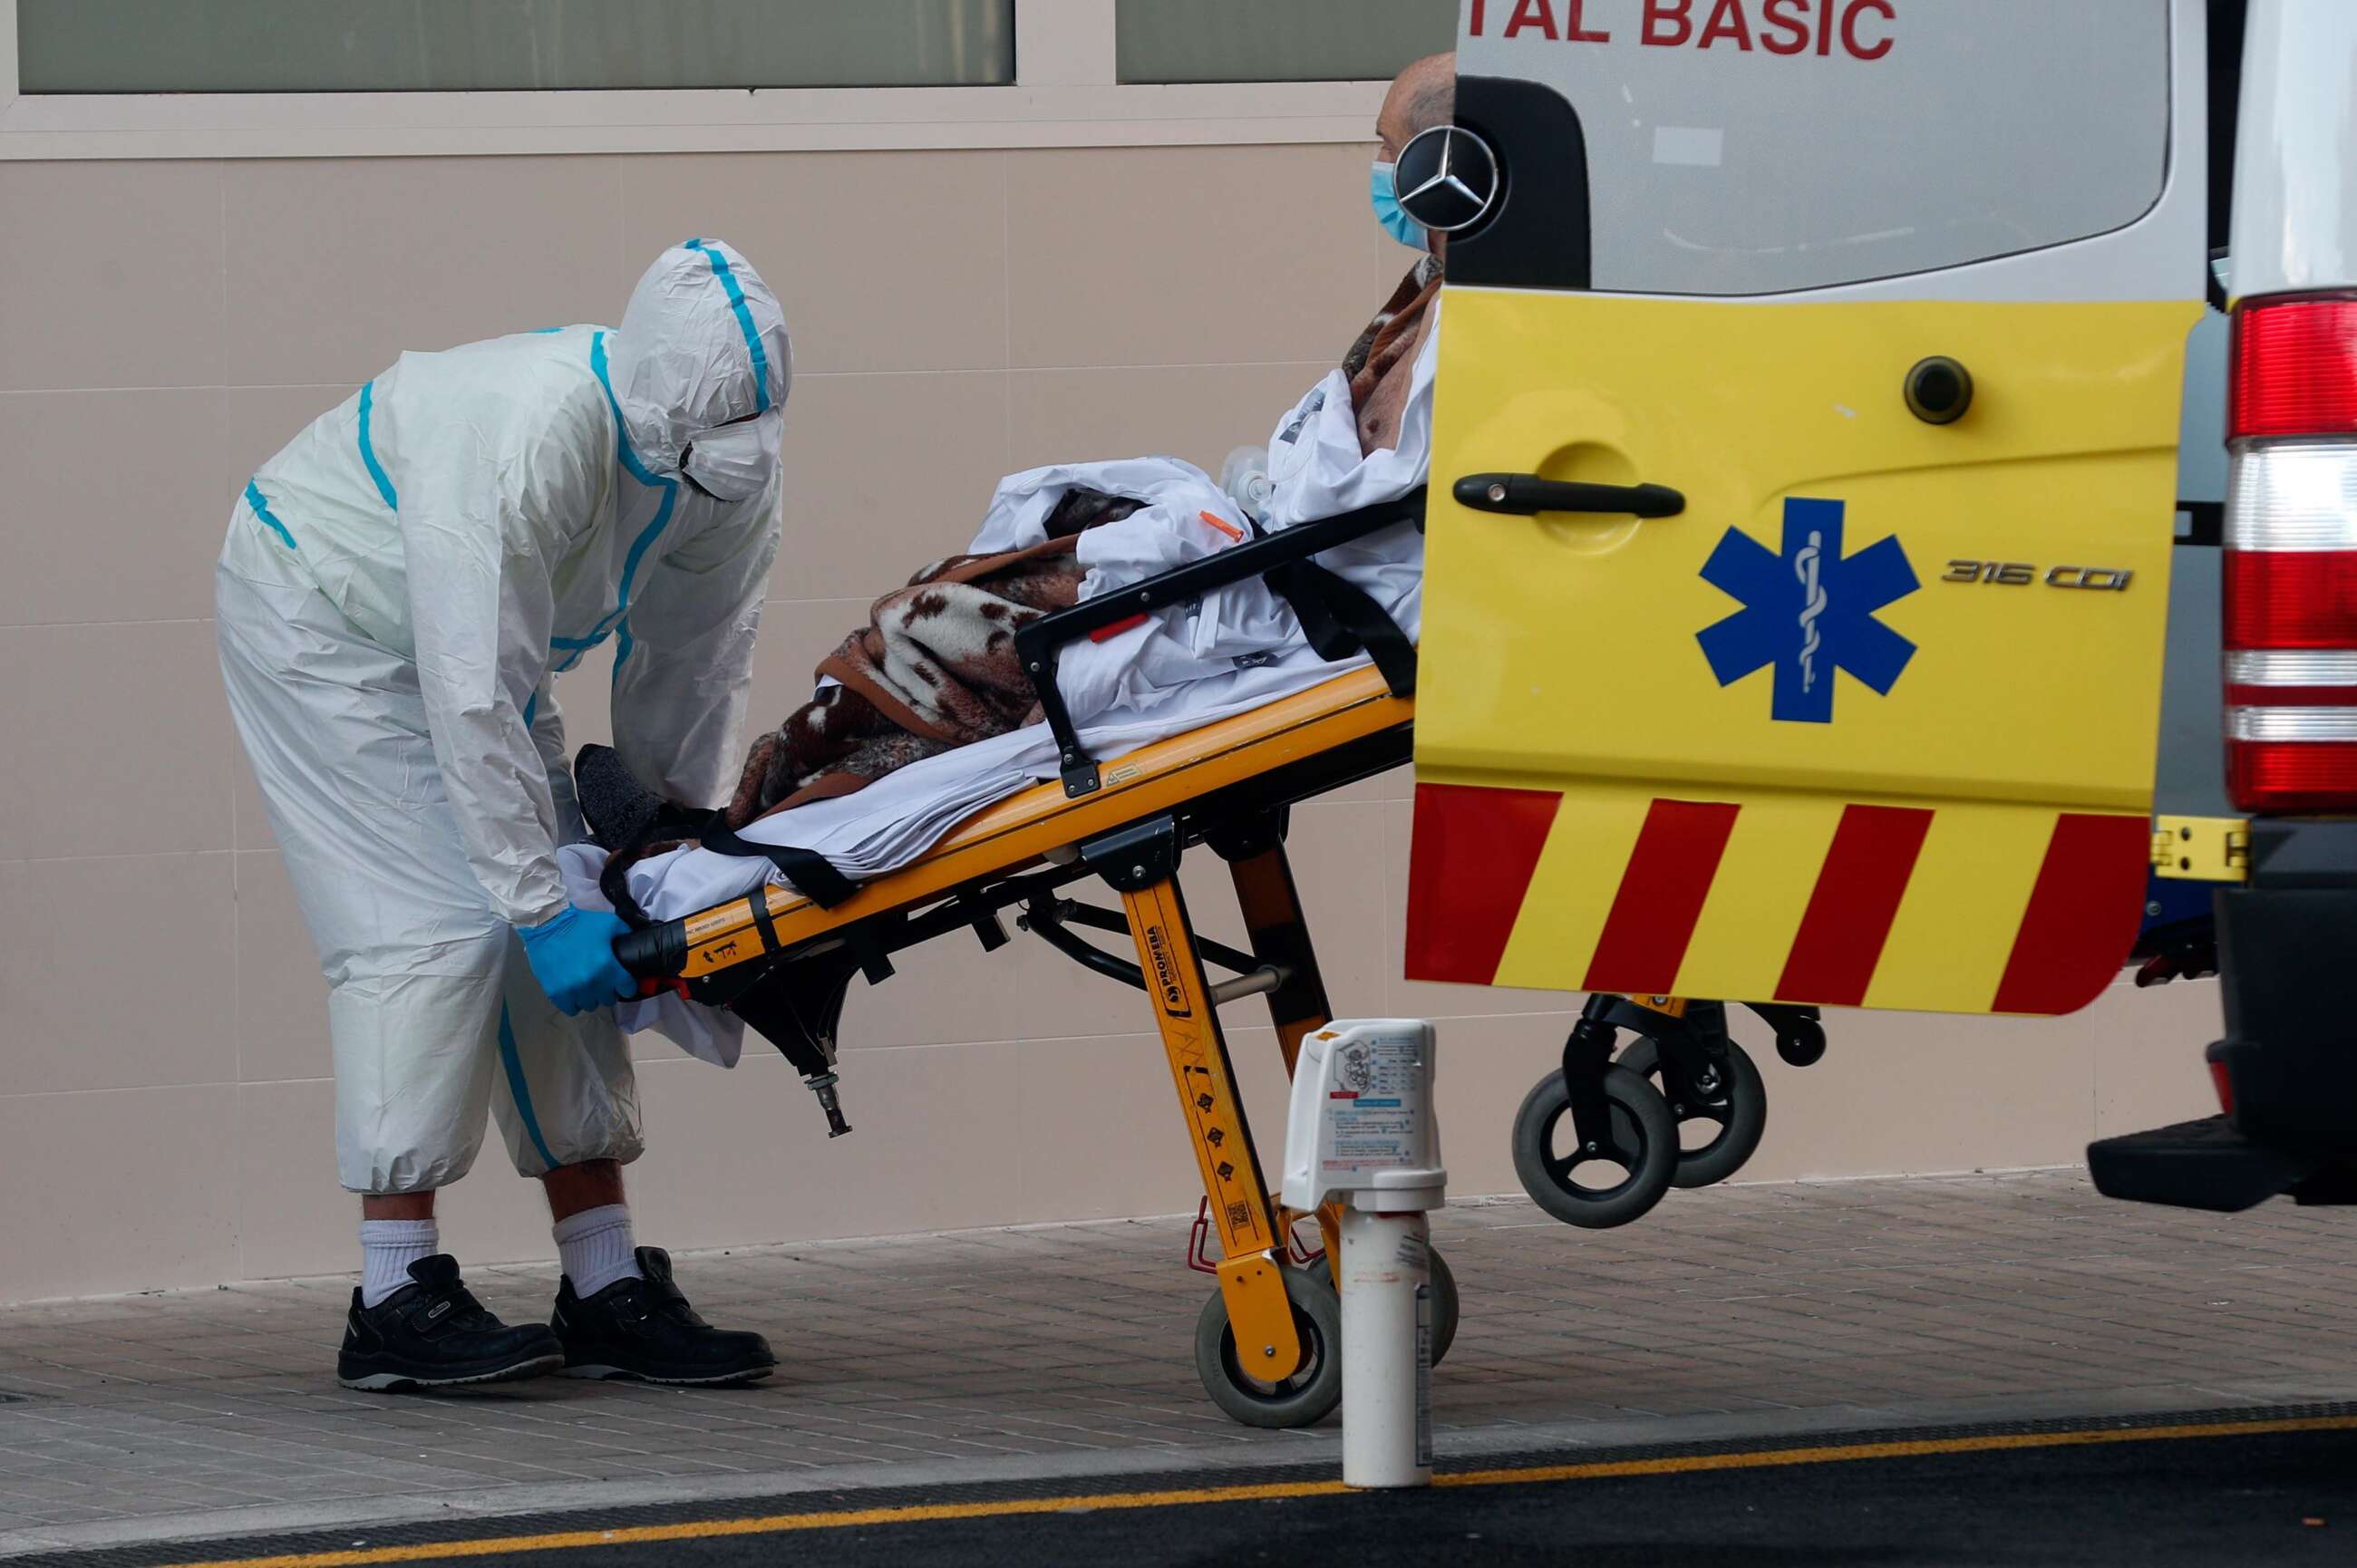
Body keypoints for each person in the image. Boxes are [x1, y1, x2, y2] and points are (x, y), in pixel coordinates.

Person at [217, 239, 790, 1390]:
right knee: (438, 926)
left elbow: (694, 660)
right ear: (648, 405)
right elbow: (467, 680)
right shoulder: (528, 431)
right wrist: (528, 902)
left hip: (482, 654)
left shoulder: (734, 465)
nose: (719, 470)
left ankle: (604, 1280)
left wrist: (650, 863)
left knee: (572, 907)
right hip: (323, 611)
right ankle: (390, 1294)